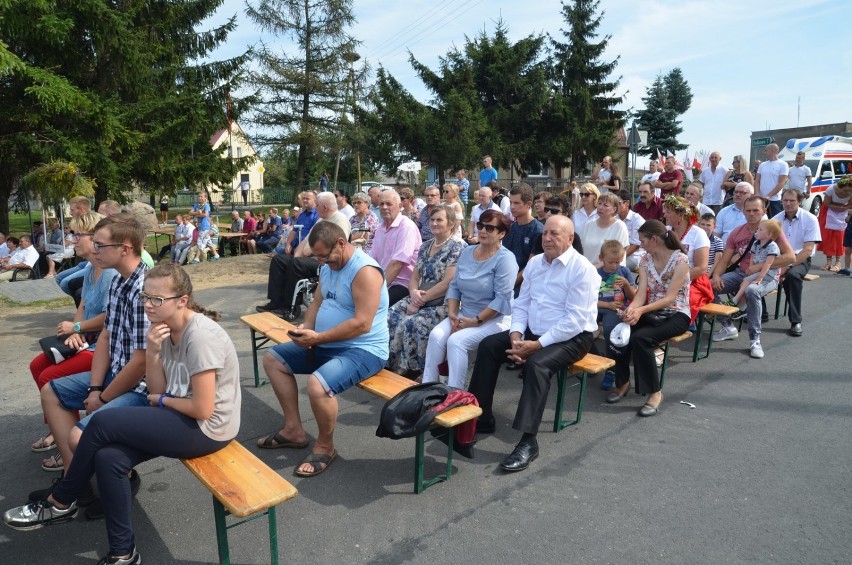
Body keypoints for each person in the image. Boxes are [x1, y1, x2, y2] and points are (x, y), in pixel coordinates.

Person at [4, 264, 241, 565]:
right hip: (180, 416)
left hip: (208, 429)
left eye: (158, 299)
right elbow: (156, 390)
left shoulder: (200, 336)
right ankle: (122, 553)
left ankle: (62, 500)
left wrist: (162, 399)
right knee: (109, 459)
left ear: (182, 300)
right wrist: (154, 352)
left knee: (102, 422)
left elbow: (202, 409)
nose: (148, 304)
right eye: (146, 296)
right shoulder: (164, 330)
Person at [31, 214, 151, 518]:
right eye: (93, 244)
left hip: (140, 388)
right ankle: (76, 480)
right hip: (115, 374)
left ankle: (102, 487)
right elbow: (107, 337)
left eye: (99, 245)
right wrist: (96, 387)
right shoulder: (118, 280)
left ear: (124, 248)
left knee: (84, 432)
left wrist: (103, 396)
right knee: (51, 391)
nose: (92, 251)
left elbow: (141, 363)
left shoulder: (144, 290)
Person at [257, 222, 388, 477]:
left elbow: (363, 324)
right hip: (326, 342)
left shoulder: (364, 271)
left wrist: (317, 338)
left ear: (341, 243)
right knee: (273, 359)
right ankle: (294, 430)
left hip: (365, 349)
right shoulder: (328, 266)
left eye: (324, 256)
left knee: (318, 386)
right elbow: (317, 301)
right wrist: (305, 327)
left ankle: (326, 446)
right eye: (317, 257)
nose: (322, 262)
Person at [468, 214, 598, 472]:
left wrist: (536, 347)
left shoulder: (583, 269)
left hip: (574, 337)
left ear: (570, 239)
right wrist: (516, 335)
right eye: (545, 233)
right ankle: (481, 417)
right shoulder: (536, 263)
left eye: (555, 234)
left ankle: (528, 441)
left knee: (537, 366)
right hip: (533, 332)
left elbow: (574, 321)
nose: (547, 238)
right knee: (489, 346)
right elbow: (523, 303)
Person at [29, 211, 118, 464]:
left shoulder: (110, 272)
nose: (72, 240)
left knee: (49, 377)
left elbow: (108, 317)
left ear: (95, 238)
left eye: (77, 234)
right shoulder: (92, 268)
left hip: (102, 344)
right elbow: (85, 304)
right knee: (37, 365)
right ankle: (58, 427)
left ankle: (69, 437)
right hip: (89, 338)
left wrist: (77, 328)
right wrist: (73, 329)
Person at [422, 210, 517, 389]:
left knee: (456, 342)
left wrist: (475, 321)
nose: (482, 230)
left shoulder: (506, 259)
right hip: (464, 313)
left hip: (495, 319)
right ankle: (427, 388)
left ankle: (454, 394)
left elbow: (501, 300)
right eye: (480, 225)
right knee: (436, 336)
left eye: (490, 228)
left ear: (501, 234)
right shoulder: (467, 252)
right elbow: (455, 286)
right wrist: (452, 314)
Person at [605, 220, 691, 417]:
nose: (640, 244)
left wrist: (641, 310)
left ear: (654, 240)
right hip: (651, 310)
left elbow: (670, 298)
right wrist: (632, 309)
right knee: (621, 331)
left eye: (643, 240)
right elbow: (641, 293)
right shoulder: (645, 260)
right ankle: (622, 382)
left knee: (641, 338)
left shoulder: (681, 261)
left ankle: (655, 392)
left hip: (677, 313)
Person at [710, 196, 795, 359]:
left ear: (764, 211)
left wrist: (760, 266)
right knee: (707, 287)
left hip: (767, 276)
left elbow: (790, 257)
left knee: (751, 291)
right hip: (740, 273)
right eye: (748, 210)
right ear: (743, 212)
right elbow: (725, 259)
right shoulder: (737, 232)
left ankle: (755, 339)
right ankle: (728, 325)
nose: (752, 214)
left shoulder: (772, 230)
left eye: (756, 210)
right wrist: (716, 276)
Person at [386, 205, 466, 378]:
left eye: (440, 220)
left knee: (413, 323)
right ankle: (391, 363)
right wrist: (414, 292)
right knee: (390, 315)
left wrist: (419, 301)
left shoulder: (457, 246)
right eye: (432, 219)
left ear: (451, 223)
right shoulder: (425, 245)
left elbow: (448, 282)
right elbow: (414, 276)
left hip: (445, 300)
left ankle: (415, 369)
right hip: (420, 294)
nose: (434, 223)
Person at [256, 192, 352, 321]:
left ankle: (291, 306)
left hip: (326, 261)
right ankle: (276, 302)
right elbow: (305, 241)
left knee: (296, 264)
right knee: (279, 259)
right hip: (310, 258)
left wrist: (310, 253)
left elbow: (338, 247)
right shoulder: (321, 220)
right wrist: (297, 255)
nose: (315, 208)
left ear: (324, 207)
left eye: (317, 205)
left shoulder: (339, 219)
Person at [772, 189, 821, 336]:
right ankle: (761, 313)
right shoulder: (775, 220)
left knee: (792, 276)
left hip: (800, 259)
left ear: (800, 202)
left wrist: (787, 266)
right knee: (754, 271)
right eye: (785, 200)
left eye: (792, 200)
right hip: (778, 258)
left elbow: (807, 251)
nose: (788, 203)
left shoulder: (810, 219)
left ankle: (796, 321)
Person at [369, 189, 422, 306]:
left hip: (403, 284)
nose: (384, 207)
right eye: (381, 204)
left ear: (400, 206)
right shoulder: (380, 228)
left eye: (389, 204)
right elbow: (372, 260)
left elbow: (397, 264)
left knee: (372, 305)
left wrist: (376, 290)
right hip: (383, 280)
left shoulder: (406, 227)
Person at [664, 195, 712, 323]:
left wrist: (675, 279)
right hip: (665, 277)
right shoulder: (665, 232)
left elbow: (701, 268)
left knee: (681, 300)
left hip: (693, 279)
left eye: (668, 211)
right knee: (648, 295)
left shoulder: (698, 233)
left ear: (680, 214)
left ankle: (678, 325)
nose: (664, 214)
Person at [596, 240, 636, 391]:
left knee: (609, 330)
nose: (614, 266)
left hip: (615, 310)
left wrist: (626, 284)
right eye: (610, 262)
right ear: (601, 258)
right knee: (580, 326)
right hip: (600, 306)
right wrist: (607, 304)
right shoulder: (596, 273)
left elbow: (633, 297)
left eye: (617, 262)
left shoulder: (624, 272)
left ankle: (611, 370)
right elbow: (589, 299)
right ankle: (593, 356)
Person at [728, 220, 781, 313]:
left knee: (749, 285)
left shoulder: (772, 246)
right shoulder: (756, 243)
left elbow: (768, 264)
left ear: (769, 234)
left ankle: (737, 301)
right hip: (757, 272)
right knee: (745, 281)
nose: (757, 232)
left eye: (760, 230)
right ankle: (740, 305)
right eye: (758, 229)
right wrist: (751, 269)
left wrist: (759, 278)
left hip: (768, 274)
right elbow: (752, 257)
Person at [503, 183, 543, 296]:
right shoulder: (510, 228)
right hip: (505, 279)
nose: (512, 207)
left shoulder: (538, 231)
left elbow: (530, 267)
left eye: (516, 203)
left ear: (528, 204)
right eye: (511, 202)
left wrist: (509, 285)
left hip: (524, 287)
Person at [581, 192, 629, 267]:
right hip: (587, 270)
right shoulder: (589, 224)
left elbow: (618, 255)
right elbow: (582, 249)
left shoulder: (620, 226)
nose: (600, 207)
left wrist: (595, 268)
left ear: (614, 209)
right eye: (599, 203)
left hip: (608, 272)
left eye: (605, 205)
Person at [816, 176, 852, 271]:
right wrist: (839, 207)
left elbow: (850, 204)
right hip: (828, 211)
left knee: (840, 237)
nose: (847, 193)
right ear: (839, 187)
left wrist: (844, 208)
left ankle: (838, 262)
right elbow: (827, 203)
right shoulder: (831, 189)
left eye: (849, 191)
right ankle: (828, 262)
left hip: (844, 211)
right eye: (845, 190)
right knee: (828, 236)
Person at [755, 143, 789, 218]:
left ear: (773, 150)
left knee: (774, 223)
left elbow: (781, 183)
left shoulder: (783, 164)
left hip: (774, 200)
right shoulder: (762, 165)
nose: (764, 152)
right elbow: (757, 180)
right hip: (761, 200)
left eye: (766, 150)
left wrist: (769, 195)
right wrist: (757, 193)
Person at [617, 188, 646, 271]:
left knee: (614, 268)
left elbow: (636, 245)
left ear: (627, 203)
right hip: (618, 255)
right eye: (614, 203)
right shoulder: (615, 218)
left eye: (618, 203)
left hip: (634, 256)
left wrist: (619, 259)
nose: (615, 206)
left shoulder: (637, 219)